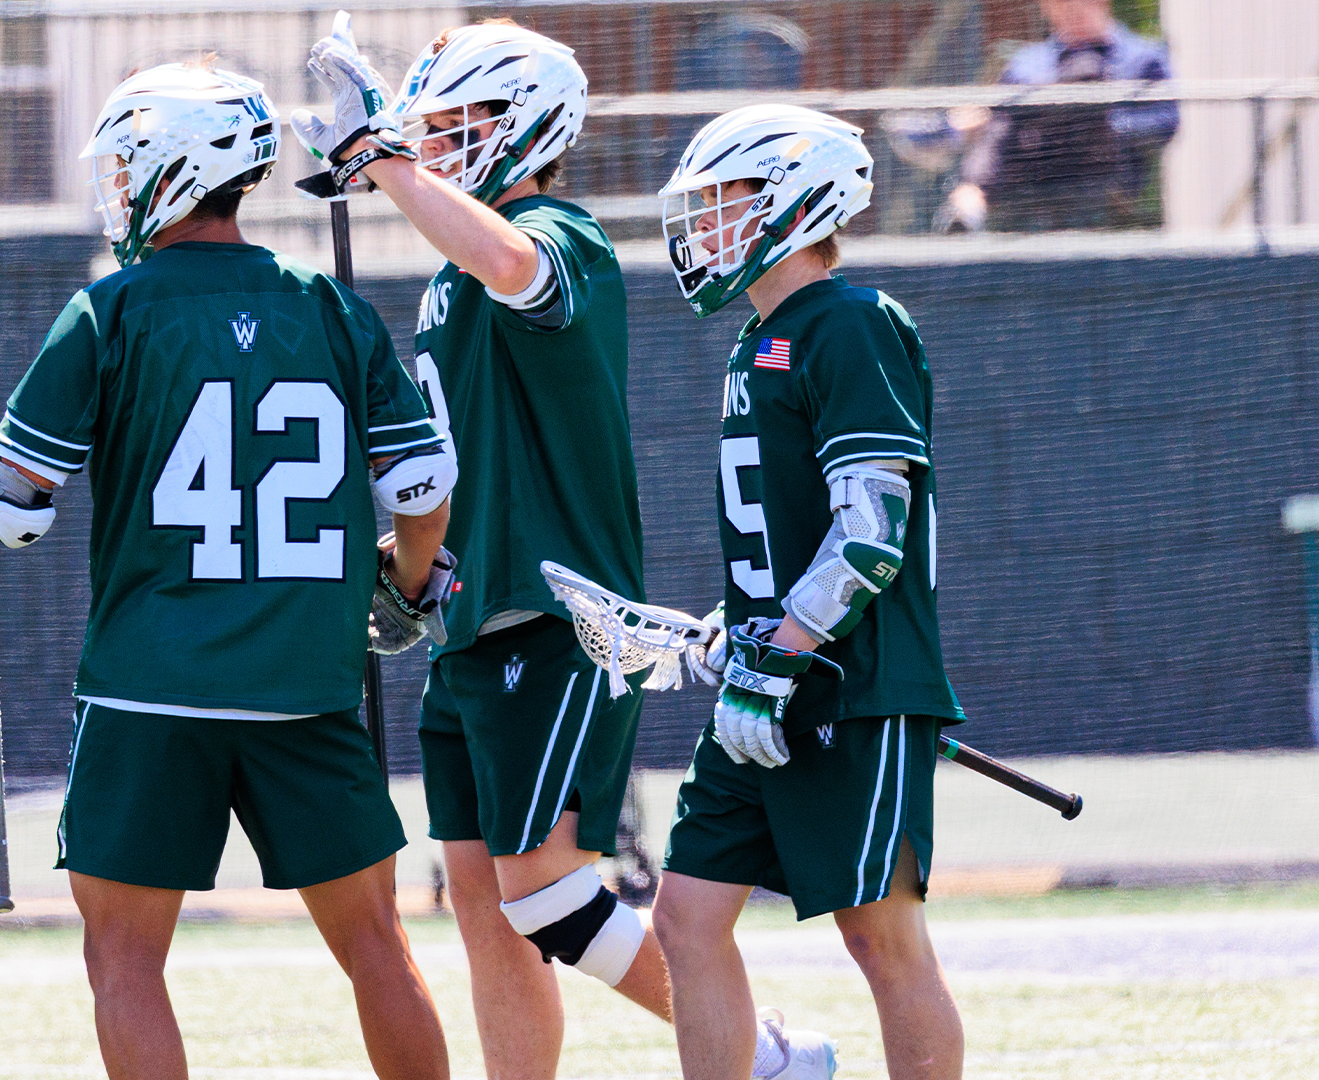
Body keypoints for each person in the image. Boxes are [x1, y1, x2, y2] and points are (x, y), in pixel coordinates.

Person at [290, 16, 832, 1079]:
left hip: (554, 612)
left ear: (524, 123)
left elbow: (510, 260)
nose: (435, 142)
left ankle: (761, 1054)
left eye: (455, 124)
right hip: (471, 613)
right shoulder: (452, 272)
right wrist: (413, 568)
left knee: (544, 894)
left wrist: (381, 159)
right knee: (488, 909)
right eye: (429, 127)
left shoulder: (557, 234)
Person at [0, 61, 457, 1080]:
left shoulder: (110, 310)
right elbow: (424, 491)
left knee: (125, 959)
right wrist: (405, 579)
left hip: (149, 687)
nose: (116, 183)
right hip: (308, 684)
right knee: (376, 944)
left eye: (126, 161)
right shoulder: (333, 310)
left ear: (174, 163)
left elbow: (18, 511)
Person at [654, 104, 968, 1080]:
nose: (704, 221)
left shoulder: (850, 322)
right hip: (767, 681)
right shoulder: (759, 339)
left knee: (881, 938)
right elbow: (790, 530)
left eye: (725, 198)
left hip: (850, 684)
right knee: (685, 917)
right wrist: (740, 631)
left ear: (796, 200)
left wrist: (780, 651)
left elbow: (870, 534)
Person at [943, 0, 1176, 232]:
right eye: (1059, 4)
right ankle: (970, 201)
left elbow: (1167, 121)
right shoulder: (1026, 64)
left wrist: (1107, 121)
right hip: (1030, 195)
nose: (1070, 11)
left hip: (1105, 194)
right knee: (1001, 124)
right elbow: (996, 124)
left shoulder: (1143, 57)